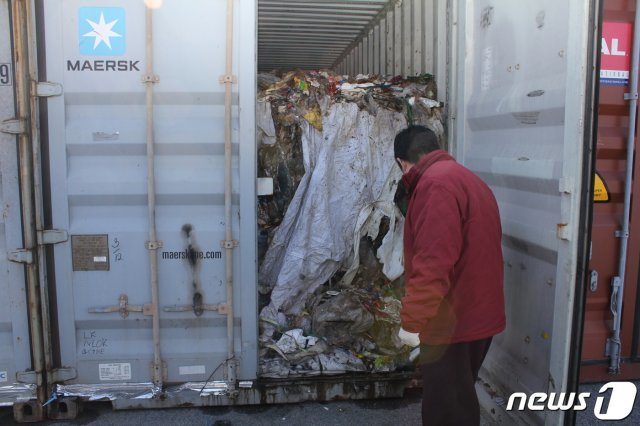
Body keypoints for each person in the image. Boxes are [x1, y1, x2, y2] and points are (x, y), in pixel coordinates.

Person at [394, 125, 506, 425]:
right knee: (458, 402)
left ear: (402, 162)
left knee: (447, 413)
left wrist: (412, 321)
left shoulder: (434, 186)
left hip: (453, 324)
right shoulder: (466, 178)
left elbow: (433, 264)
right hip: (477, 316)